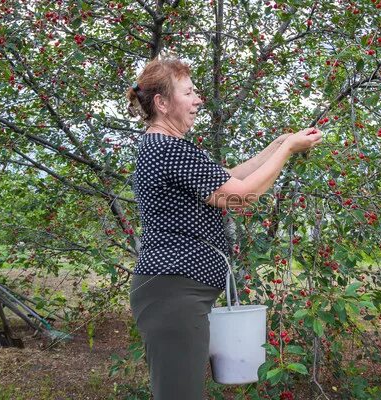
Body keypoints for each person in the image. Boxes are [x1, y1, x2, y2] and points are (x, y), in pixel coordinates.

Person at [126, 56, 322, 400]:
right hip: (173, 292)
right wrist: (288, 149)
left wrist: (277, 144)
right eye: (188, 92)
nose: (198, 99)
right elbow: (240, 197)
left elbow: (232, 177)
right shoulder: (168, 149)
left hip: (177, 291)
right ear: (162, 102)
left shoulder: (166, 148)